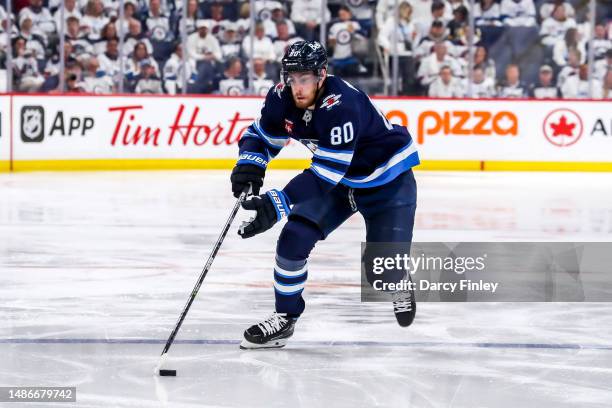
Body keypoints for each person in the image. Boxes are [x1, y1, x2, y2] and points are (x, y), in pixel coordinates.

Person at [230, 41, 419, 349]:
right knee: (293, 238)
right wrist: (250, 165)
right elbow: (260, 137)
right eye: (292, 78)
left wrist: (278, 203)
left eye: (304, 78)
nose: (297, 87)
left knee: (382, 274)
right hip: (341, 182)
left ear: (321, 75)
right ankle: (285, 318)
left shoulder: (341, 105)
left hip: (388, 181)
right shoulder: (281, 97)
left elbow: (325, 174)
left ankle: (398, 281)